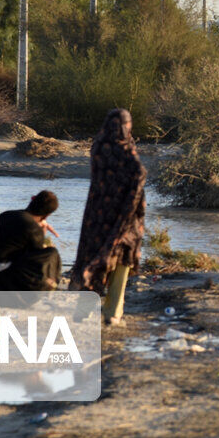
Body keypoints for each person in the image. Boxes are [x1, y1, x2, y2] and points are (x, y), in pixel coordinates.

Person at [70, 109, 146, 325]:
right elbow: (139, 173)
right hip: (125, 216)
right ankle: (113, 312)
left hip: (96, 215)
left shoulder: (99, 147)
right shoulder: (126, 151)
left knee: (92, 257)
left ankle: (83, 310)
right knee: (122, 259)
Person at [0, 190, 62, 293]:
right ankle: (52, 286)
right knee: (52, 253)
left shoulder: (6, 214)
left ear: (31, 201)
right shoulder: (33, 229)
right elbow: (37, 259)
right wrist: (43, 235)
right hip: (3, 274)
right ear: (47, 215)